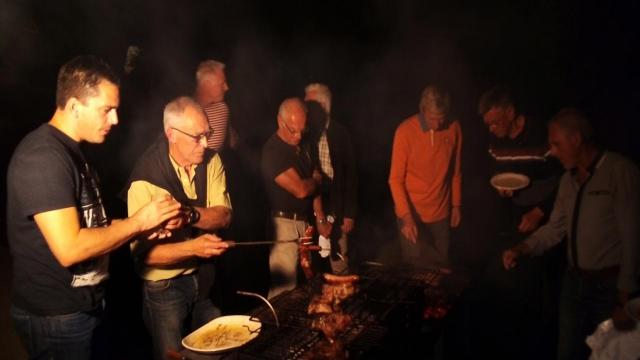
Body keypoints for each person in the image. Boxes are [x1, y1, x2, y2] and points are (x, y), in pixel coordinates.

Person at [6, 55, 182, 360]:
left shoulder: (76, 154)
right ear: (74, 106)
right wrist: (138, 222)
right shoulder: (43, 157)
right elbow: (70, 247)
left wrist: (146, 229)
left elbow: (95, 226)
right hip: (55, 318)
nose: (114, 120)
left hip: (85, 305)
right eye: (107, 110)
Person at [502, 108, 640, 360]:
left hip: (609, 289)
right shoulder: (568, 181)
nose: (552, 151)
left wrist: (624, 298)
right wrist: (522, 248)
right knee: (567, 352)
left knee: (608, 354)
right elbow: (555, 228)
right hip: (574, 284)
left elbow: (633, 239)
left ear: (576, 139)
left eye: (556, 144)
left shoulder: (620, 172)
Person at [125, 96, 232, 360]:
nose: (206, 144)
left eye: (208, 134)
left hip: (205, 280)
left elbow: (224, 216)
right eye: (198, 137)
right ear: (171, 134)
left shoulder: (212, 160)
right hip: (165, 287)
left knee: (217, 351)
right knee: (173, 356)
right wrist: (193, 247)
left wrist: (189, 215)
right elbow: (144, 255)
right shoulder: (145, 178)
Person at [388, 85, 462, 268]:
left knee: (441, 268)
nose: (437, 125)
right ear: (422, 110)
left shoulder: (454, 128)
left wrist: (456, 205)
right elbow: (395, 180)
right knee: (415, 269)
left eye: (441, 119)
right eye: (432, 119)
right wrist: (407, 217)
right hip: (411, 215)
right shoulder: (404, 132)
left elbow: (456, 172)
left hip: (441, 214)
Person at [261, 98, 324, 299]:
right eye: (293, 130)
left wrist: (320, 217)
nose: (298, 136)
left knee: (305, 283)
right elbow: (301, 190)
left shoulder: (305, 145)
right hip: (283, 226)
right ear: (280, 122)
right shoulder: (272, 152)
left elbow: (314, 183)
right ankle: (274, 328)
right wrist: (316, 181)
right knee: (284, 289)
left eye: (302, 130)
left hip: (305, 223)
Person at [304, 83, 358, 274]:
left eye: (310, 104)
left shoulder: (340, 133)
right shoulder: (305, 134)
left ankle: (343, 299)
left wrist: (349, 213)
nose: (306, 108)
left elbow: (351, 175)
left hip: (336, 207)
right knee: (312, 263)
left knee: (340, 262)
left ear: (325, 106)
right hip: (312, 209)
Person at [194, 59, 232, 152]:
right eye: (221, 83)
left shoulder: (220, 109)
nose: (226, 88)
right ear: (207, 85)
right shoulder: (183, 113)